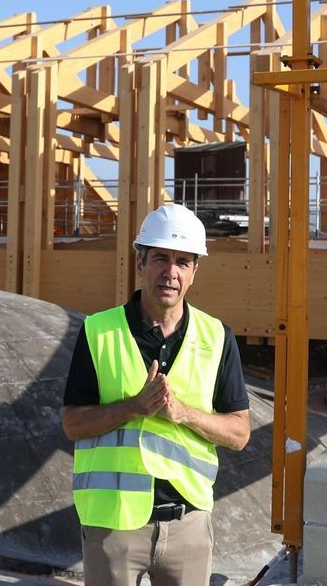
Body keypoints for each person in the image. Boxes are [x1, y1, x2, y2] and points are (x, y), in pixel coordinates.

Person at [61, 203, 251, 586]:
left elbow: (240, 433)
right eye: (160, 258)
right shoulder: (99, 331)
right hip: (112, 526)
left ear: (195, 271)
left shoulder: (217, 337)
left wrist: (183, 413)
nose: (171, 272)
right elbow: (72, 424)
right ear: (140, 263)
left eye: (183, 261)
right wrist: (134, 407)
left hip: (188, 524)